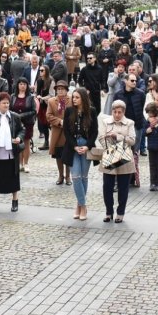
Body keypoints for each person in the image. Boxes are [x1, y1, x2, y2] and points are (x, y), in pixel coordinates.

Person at [61, 87, 99, 221]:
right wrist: (75, 146)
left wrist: (87, 146)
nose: (74, 100)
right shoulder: (69, 111)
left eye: (77, 97)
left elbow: (95, 131)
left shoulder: (92, 111)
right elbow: (66, 131)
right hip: (73, 147)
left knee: (83, 177)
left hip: (86, 146)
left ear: (83, 98)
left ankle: (78, 205)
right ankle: (83, 206)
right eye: (73, 97)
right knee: (75, 176)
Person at [97, 100, 137, 223]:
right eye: (115, 112)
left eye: (119, 112)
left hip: (125, 157)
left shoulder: (130, 123)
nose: (117, 115)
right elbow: (101, 137)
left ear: (123, 112)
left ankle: (120, 213)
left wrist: (118, 137)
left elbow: (132, 140)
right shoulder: (105, 122)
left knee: (123, 187)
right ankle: (109, 212)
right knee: (107, 187)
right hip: (110, 155)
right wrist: (108, 147)